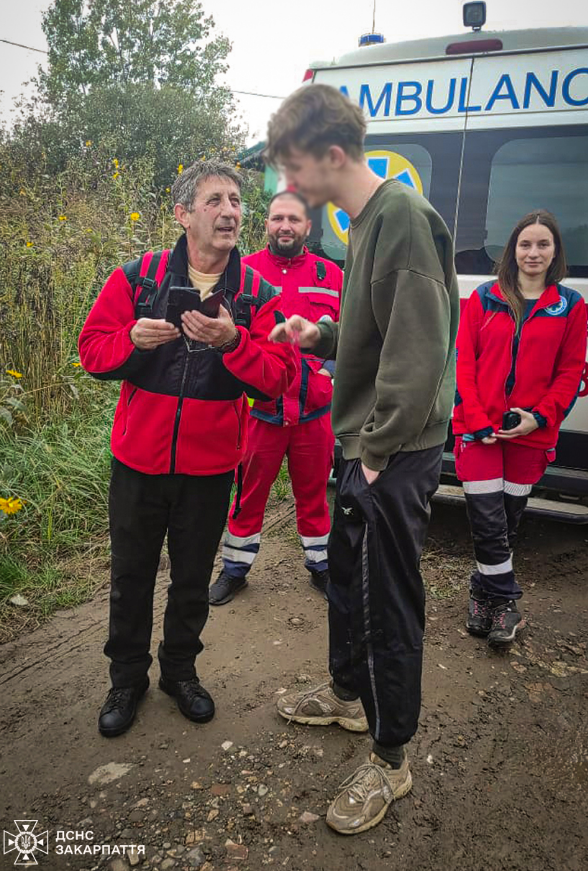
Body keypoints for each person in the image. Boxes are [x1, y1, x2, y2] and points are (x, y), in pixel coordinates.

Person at [266, 84, 459, 835]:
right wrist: (321, 335)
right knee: (345, 581)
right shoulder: (363, 221)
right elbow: (372, 329)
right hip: (366, 441)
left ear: (333, 156)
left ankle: (391, 756)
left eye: (293, 169)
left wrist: (375, 454)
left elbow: (417, 354)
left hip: (393, 449)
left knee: (386, 604)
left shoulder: (403, 220)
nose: (287, 187)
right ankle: (348, 697)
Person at [78, 159, 297, 738]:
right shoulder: (138, 277)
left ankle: (180, 671)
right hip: (137, 461)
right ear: (182, 214)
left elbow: (279, 376)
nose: (230, 212)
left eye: (235, 201)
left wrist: (234, 341)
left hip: (209, 467)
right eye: (215, 201)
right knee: (130, 576)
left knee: (193, 577)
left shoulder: (257, 294)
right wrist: (129, 339)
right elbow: (92, 351)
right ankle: (127, 678)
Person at [454, 209, 587, 647]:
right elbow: (465, 365)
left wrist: (539, 416)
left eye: (542, 244)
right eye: (525, 244)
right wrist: (477, 419)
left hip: (532, 433)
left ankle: (482, 592)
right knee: (488, 518)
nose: (533, 252)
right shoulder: (485, 298)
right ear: (512, 250)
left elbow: (570, 372)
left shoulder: (571, 306)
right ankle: (507, 600)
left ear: (554, 252)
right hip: (479, 430)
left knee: (507, 522)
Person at [209, 190, 343, 605]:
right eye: (277, 218)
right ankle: (235, 570)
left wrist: (329, 375)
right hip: (259, 411)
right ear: (265, 223)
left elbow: (349, 336)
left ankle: (322, 567)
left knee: (315, 493)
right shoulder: (242, 273)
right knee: (247, 495)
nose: (285, 226)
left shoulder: (332, 276)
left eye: (294, 219)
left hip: (314, 411)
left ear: (308, 227)